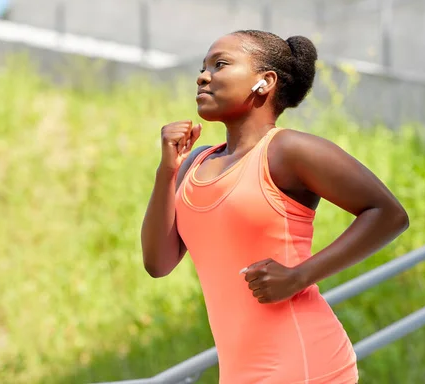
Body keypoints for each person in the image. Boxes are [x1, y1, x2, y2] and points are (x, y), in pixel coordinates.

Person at [141, 29, 409, 384]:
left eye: (220, 64)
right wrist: (167, 171)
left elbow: (389, 214)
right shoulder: (194, 164)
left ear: (264, 82)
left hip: (302, 359)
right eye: (203, 66)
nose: (203, 76)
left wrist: (299, 276)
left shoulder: (288, 151)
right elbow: (158, 263)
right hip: (238, 370)